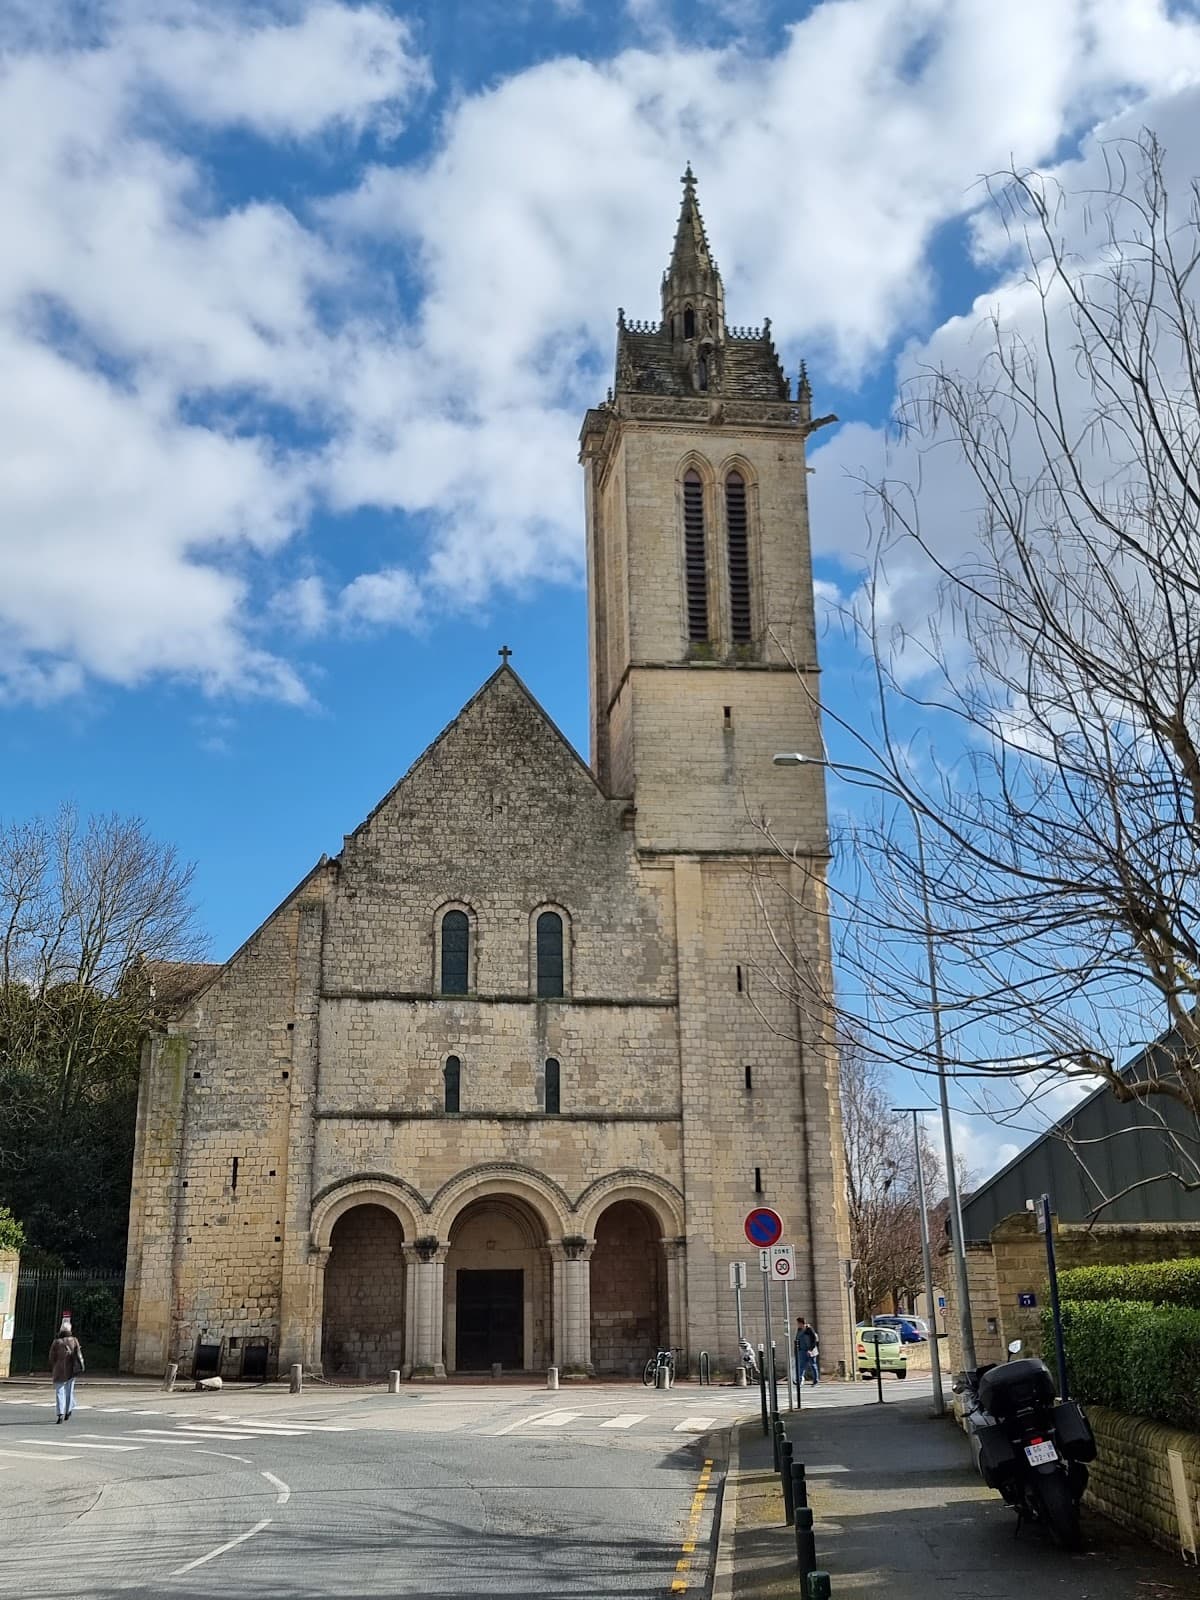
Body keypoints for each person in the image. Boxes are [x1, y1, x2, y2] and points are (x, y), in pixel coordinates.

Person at [49, 1318, 83, 1423]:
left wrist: (53, 1366)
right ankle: (68, 1411)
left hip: (59, 1370)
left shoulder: (56, 1342)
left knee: (60, 1392)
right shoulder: (74, 1340)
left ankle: (60, 1414)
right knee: (69, 1391)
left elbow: (51, 1357)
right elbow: (78, 1354)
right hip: (71, 1369)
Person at [794, 1315, 819, 1386]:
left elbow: (814, 1340)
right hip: (802, 1350)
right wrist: (796, 1350)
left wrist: (810, 1349)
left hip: (810, 1351)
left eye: (798, 1323)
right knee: (801, 1366)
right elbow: (797, 1340)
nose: (797, 1325)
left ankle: (815, 1380)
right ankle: (799, 1380)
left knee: (813, 1365)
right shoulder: (799, 1330)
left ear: (801, 1323)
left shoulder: (809, 1329)